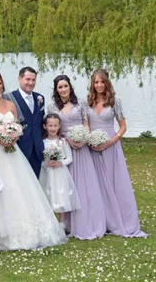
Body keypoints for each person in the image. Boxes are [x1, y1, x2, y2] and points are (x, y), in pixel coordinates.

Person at [0, 70, 67, 250]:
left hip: (12, 152)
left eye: (0, 83)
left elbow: (17, 128)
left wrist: (13, 137)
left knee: (19, 188)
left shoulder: (10, 104)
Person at [86, 69, 147, 238]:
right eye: (96, 82)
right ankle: (100, 220)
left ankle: (119, 220)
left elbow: (123, 127)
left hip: (111, 148)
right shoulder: (88, 102)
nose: (99, 85)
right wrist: (89, 139)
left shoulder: (114, 101)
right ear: (92, 84)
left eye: (102, 82)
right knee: (95, 184)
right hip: (92, 147)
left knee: (114, 182)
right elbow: (86, 124)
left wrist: (111, 142)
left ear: (107, 82)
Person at [46, 74, 106, 240]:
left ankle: (87, 221)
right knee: (64, 187)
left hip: (81, 149)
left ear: (70, 87)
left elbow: (87, 125)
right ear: (56, 90)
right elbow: (53, 128)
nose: (63, 89)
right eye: (60, 87)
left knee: (84, 186)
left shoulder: (81, 104)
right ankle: (65, 224)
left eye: (66, 86)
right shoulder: (52, 107)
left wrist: (83, 139)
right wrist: (66, 140)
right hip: (63, 148)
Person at [39, 114, 81, 231]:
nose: (53, 128)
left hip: (60, 174)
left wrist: (60, 163)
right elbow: (40, 159)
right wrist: (45, 164)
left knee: (61, 197)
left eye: (55, 125)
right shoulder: (42, 142)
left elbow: (69, 158)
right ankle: (49, 223)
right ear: (45, 126)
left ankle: (62, 225)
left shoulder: (62, 142)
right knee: (48, 195)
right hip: (47, 173)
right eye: (50, 125)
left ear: (59, 126)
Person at [3, 67, 45, 178]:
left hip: (37, 150)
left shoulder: (40, 98)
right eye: (27, 79)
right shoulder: (8, 98)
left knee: (37, 183)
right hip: (19, 148)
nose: (31, 83)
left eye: (33, 80)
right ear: (19, 79)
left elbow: (41, 123)